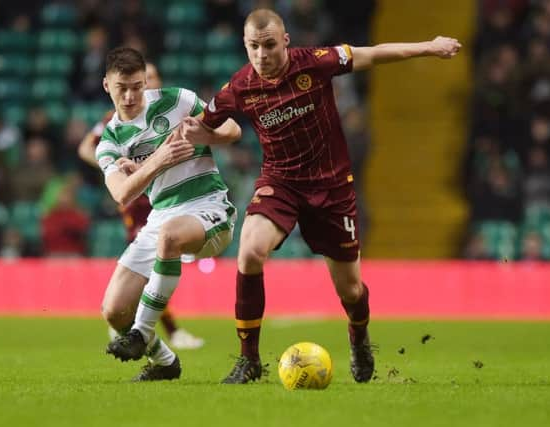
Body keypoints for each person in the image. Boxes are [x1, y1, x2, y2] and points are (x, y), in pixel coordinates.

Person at [181, 8, 461, 384]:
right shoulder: (240, 87)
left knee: (350, 288)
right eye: (253, 47)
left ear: (285, 41)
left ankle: (359, 338)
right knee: (249, 250)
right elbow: (200, 127)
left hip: (332, 187)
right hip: (281, 183)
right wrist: (161, 154)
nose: (262, 55)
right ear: (245, 46)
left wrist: (430, 46)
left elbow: (373, 53)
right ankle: (249, 360)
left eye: (268, 45)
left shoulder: (316, 63)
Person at [95, 47, 241, 381]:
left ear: (146, 80)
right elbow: (121, 193)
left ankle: (141, 332)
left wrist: (207, 135)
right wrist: (157, 161)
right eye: (122, 88)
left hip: (208, 208)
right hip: (162, 216)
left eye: (137, 86)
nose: (131, 95)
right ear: (107, 85)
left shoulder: (180, 101)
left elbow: (233, 131)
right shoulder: (109, 141)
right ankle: (164, 362)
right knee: (114, 311)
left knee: (170, 236)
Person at [78, 62, 206, 350]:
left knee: (163, 262)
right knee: (150, 264)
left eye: (149, 80)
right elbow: (87, 148)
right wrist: (111, 170)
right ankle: (163, 331)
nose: (143, 87)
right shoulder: (114, 122)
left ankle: (141, 326)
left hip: (172, 199)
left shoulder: (170, 109)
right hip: (139, 202)